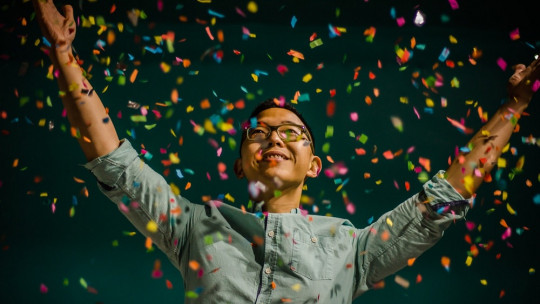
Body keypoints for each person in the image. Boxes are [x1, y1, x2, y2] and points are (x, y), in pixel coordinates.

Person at [33, 0, 539, 303]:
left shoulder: (351, 250)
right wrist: (63, 55)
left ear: (314, 165)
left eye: (291, 132)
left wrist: (514, 106)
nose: (273, 137)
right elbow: (115, 163)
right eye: (259, 131)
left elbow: (442, 201)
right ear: (240, 162)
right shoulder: (193, 227)